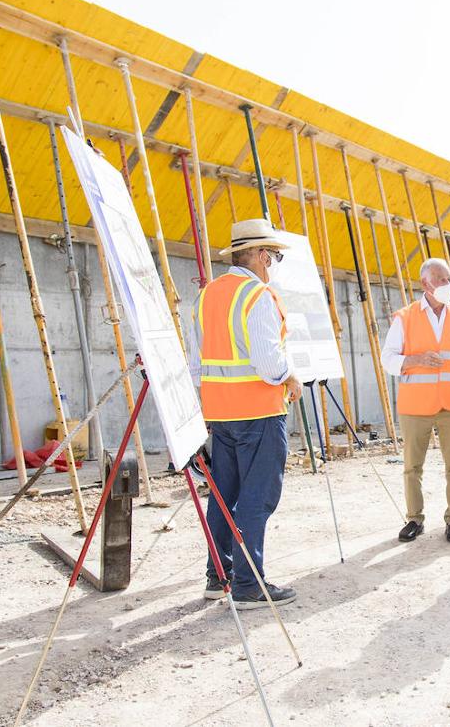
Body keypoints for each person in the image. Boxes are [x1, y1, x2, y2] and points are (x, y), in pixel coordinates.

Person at [188, 219, 302, 608]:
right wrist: (291, 376)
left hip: (220, 416)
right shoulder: (257, 297)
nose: (272, 263)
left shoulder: (207, 296)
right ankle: (249, 586)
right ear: (259, 254)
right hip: (259, 413)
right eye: (272, 255)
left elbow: (195, 361)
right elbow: (269, 363)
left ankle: (217, 577)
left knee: (224, 496)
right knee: (257, 498)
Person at [380, 258, 450, 543]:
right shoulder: (406, 316)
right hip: (416, 405)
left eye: (448, 278)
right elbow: (387, 359)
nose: (447, 284)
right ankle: (415, 518)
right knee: (412, 466)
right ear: (425, 283)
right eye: (441, 279)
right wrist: (415, 359)